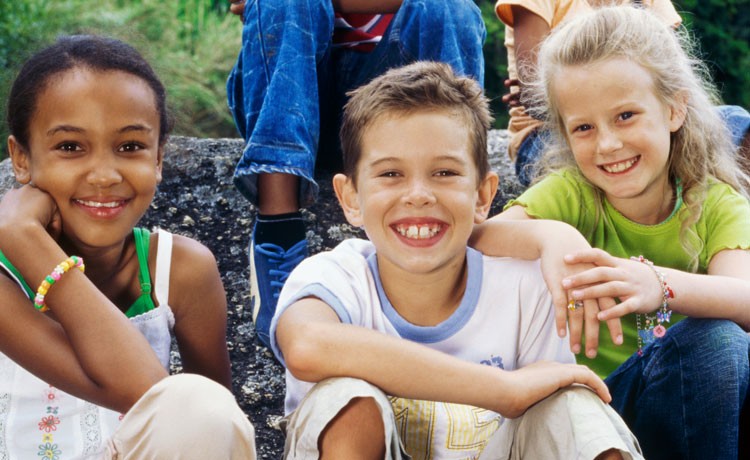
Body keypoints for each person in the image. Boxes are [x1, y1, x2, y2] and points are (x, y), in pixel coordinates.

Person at [268, 61, 642, 459]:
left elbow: (553, 426)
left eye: (444, 172)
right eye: (391, 174)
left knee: (571, 408)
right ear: (350, 199)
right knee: (348, 400)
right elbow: (307, 345)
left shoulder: (525, 289)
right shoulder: (335, 276)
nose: (418, 194)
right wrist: (503, 390)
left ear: (483, 196)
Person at [471, 7, 750, 459]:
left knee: (721, 342)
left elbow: (743, 294)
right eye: (583, 127)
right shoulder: (572, 195)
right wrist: (548, 237)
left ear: (675, 108)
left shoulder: (715, 203)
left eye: (625, 116)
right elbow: (472, 239)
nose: (607, 144)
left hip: (685, 417)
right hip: (588, 414)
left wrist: (656, 284)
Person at [0, 35, 256, 458]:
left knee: (202, 406)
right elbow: (139, 389)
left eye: (130, 147)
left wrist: (23, 233)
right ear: (21, 158)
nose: (104, 175)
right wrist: (22, 243)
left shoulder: (180, 269)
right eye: (70, 147)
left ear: (158, 159)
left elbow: (204, 427)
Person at [226, 0, 486, 349]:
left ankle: (452, 181)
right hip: (295, 95)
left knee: (448, 9)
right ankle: (278, 232)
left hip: (397, 109)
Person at [493, 0, 750, 185]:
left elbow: (675, 79)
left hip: (633, 114)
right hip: (553, 130)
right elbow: (536, 96)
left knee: (735, 120)